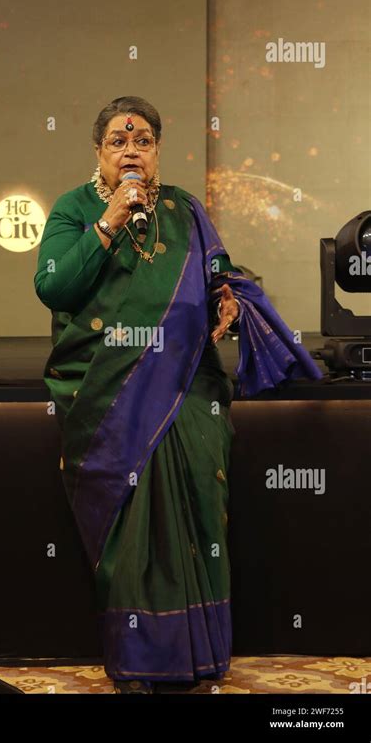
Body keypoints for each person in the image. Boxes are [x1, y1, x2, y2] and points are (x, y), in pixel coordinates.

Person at [34, 96, 322, 694]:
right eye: (119, 142)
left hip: (187, 391)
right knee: (134, 530)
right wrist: (109, 220)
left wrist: (230, 301)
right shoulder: (74, 208)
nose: (131, 151)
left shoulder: (185, 209)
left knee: (195, 513)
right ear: (99, 153)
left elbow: (224, 276)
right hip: (109, 394)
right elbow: (54, 286)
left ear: (158, 151)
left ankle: (201, 656)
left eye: (142, 142)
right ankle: (143, 661)